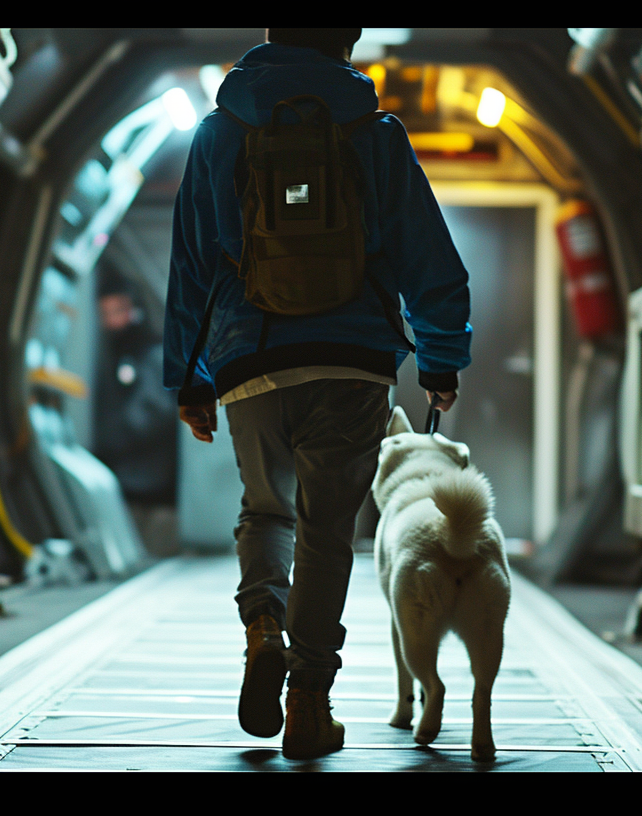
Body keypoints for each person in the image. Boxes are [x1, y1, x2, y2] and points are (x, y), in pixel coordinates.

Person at [164, 27, 472, 760]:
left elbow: (192, 262)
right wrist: (440, 358)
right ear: (349, 40)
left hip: (250, 355)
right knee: (327, 532)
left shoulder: (220, 131)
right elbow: (427, 253)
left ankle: (262, 628)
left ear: (270, 35)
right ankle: (308, 700)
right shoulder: (375, 132)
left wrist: (190, 374)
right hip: (354, 358)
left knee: (264, 507)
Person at [91, 265, 179, 555]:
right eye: (105, 313)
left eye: (118, 310)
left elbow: (155, 411)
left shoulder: (151, 353)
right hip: (130, 483)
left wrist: (113, 439)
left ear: (134, 309)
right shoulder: (111, 354)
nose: (112, 320)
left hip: (152, 487)